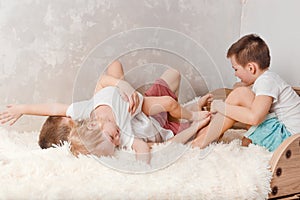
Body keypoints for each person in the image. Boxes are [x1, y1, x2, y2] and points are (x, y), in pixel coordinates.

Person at [0, 61, 212, 161]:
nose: (116, 138)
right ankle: (192, 110)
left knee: (171, 75)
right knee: (182, 118)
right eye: (70, 121)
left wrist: (23, 108)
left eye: (70, 118)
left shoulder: (87, 112)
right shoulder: (117, 135)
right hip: (152, 122)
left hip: (140, 107)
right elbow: (142, 147)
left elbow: (56, 107)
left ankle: (189, 110)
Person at [192, 34, 300, 152]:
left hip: (289, 141)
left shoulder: (267, 81)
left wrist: (221, 107)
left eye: (236, 69)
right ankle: (209, 134)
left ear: (251, 68)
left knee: (240, 94)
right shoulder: (267, 80)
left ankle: (203, 138)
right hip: (285, 136)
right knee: (240, 92)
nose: (235, 74)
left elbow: (255, 118)